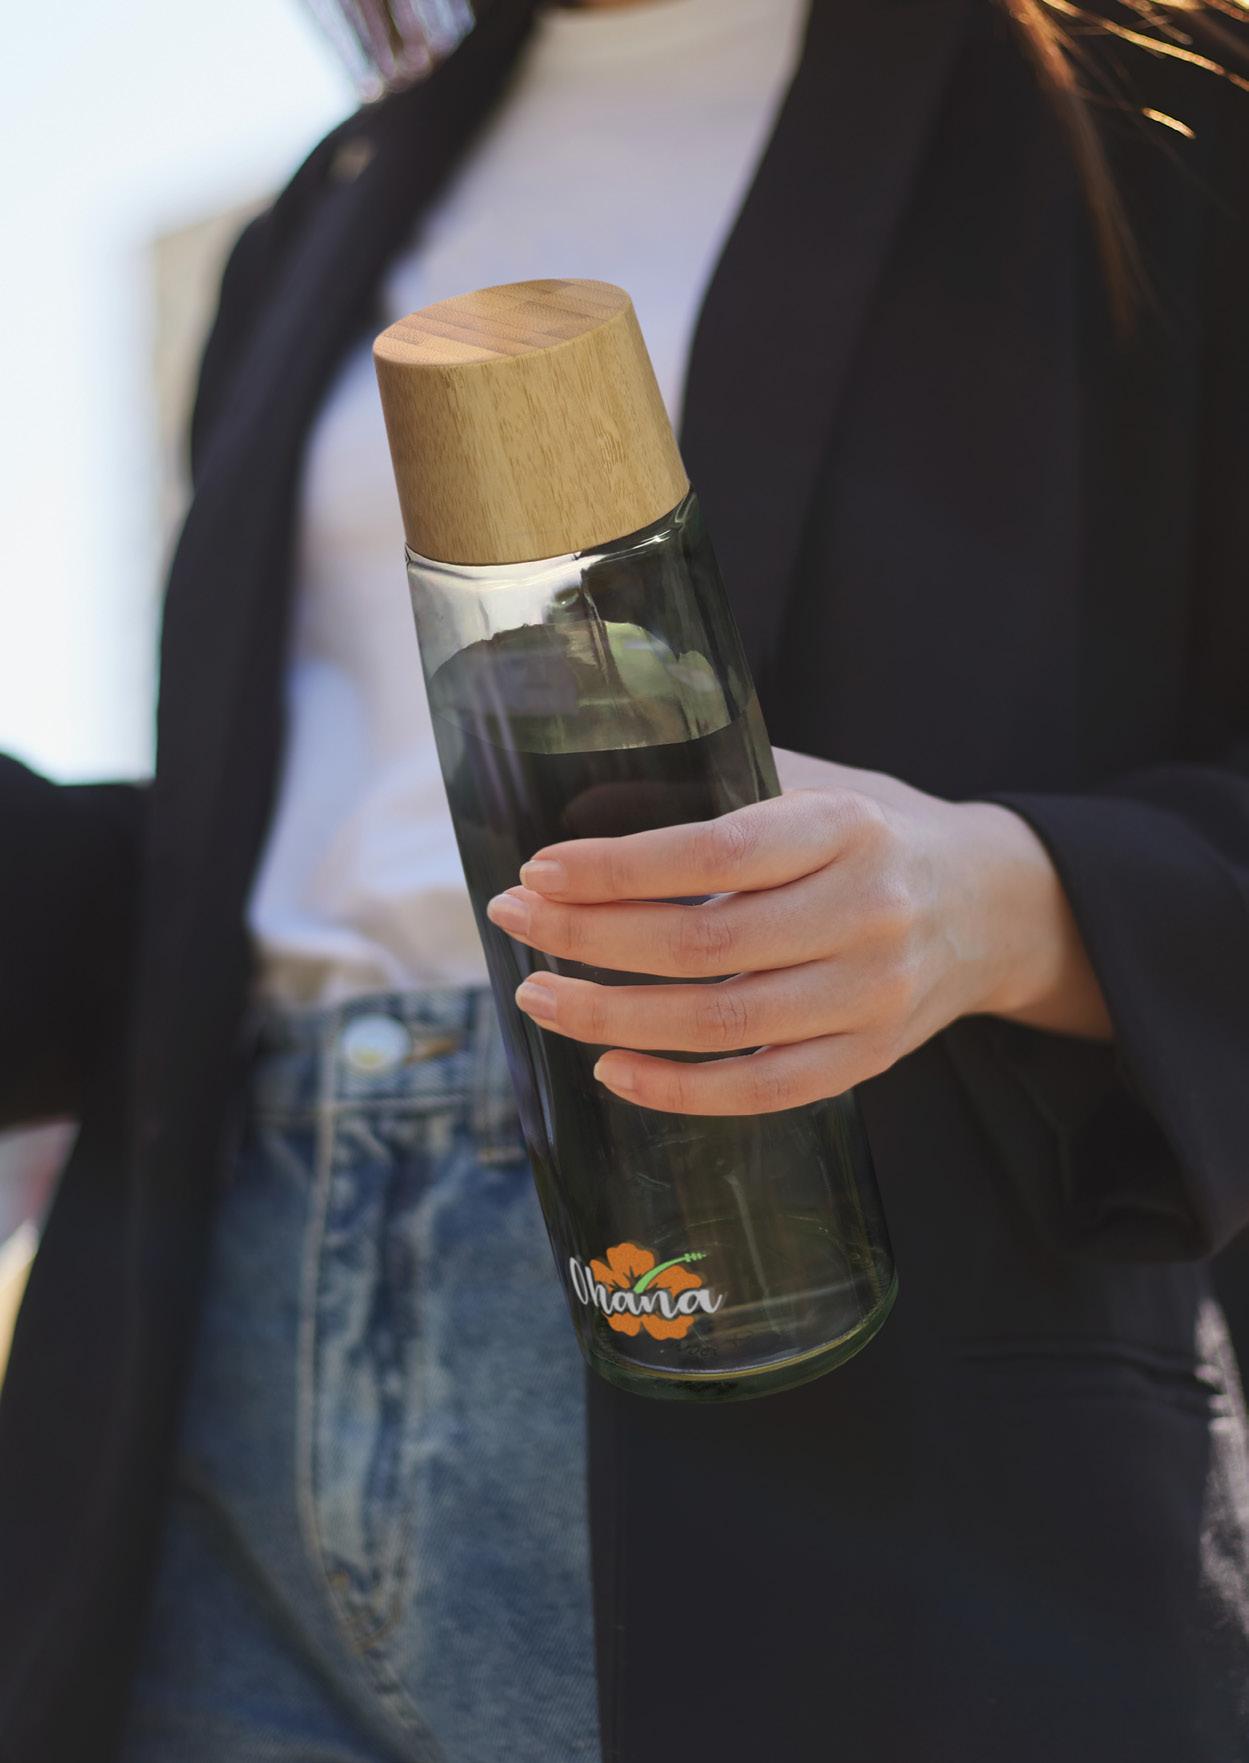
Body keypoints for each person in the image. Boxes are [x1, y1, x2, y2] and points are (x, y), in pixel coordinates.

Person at [1, 1, 1247, 1759]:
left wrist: (1009, 898)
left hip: (856, 1421)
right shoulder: (329, 201)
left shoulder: (1165, 113)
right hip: (220, 1374)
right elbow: (271, 856)